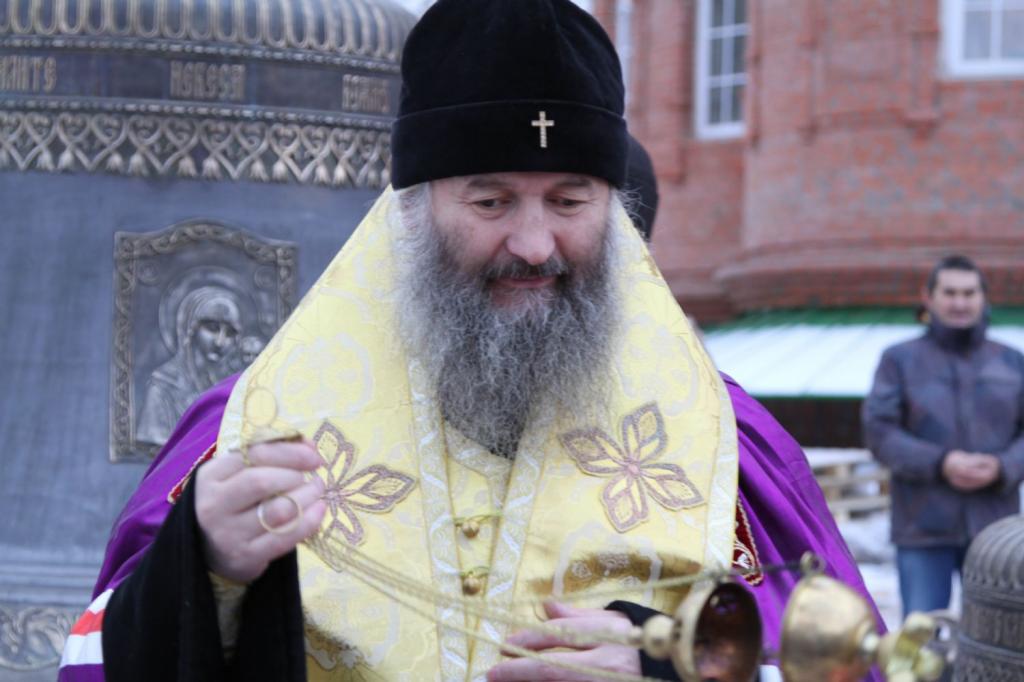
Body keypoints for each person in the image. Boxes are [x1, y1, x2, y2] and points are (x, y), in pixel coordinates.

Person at [60, 2, 881, 680]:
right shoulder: (247, 435)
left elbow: (850, 661)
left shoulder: (725, 449)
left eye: (570, 201)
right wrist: (202, 569)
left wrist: (676, 670)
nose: (534, 243)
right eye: (491, 202)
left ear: (616, 213)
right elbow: (95, 659)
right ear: (413, 212)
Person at [863, 254, 1024, 617]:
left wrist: (1003, 466)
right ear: (929, 297)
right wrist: (941, 463)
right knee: (922, 638)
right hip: (922, 529)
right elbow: (879, 432)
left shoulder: (1013, 362)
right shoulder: (899, 360)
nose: (959, 302)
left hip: (996, 531)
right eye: (950, 293)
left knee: (998, 635)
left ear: (983, 297)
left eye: (969, 293)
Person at [136, 285, 243, 445]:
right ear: (190, 329)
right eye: (212, 328)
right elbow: (153, 442)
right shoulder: (163, 387)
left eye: (230, 333)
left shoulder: (231, 388)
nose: (220, 342)